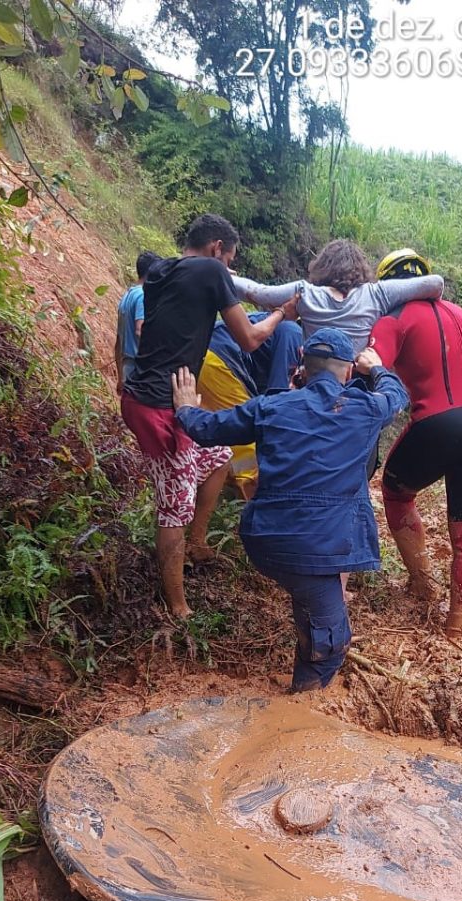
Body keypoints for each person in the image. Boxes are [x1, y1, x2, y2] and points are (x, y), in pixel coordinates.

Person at [171, 328, 409, 691]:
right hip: (320, 546)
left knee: (311, 598)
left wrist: (186, 407)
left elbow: (206, 429)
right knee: (329, 647)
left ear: (303, 368)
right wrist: (376, 367)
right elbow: (396, 394)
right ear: (347, 372)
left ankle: (308, 648)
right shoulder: (365, 409)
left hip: (265, 540)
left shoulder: (269, 406)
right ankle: (301, 714)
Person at [121, 214, 299, 619]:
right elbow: (250, 339)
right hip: (159, 405)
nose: (227, 267)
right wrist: (282, 313)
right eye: (228, 258)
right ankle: (178, 607)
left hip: (148, 395)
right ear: (218, 248)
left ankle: (197, 542)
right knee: (174, 503)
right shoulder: (209, 271)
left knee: (218, 456)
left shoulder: (160, 271)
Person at [369, 249, 462, 635]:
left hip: (434, 423)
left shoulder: (393, 317)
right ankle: (459, 628)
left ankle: (422, 584)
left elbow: (371, 370)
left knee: (395, 493)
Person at [230, 240, 444, 353]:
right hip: (355, 389)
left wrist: (217, 272)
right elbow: (436, 283)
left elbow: (257, 293)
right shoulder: (377, 294)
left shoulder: (305, 292)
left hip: (311, 382)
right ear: (361, 268)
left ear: (323, 266)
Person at [197, 313, 303, 497]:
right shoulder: (292, 332)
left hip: (202, 356)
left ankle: (222, 490)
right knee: (246, 440)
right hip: (218, 361)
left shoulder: (274, 325)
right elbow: (277, 395)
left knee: (221, 436)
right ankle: (252, 502)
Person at [115, 250, 161, 393]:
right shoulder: (142, 295)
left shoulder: (128, 295)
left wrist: (120, 376)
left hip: (127, 366)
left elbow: (118, 342)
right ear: (152, 271)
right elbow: (140, 330)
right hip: (138, 369)